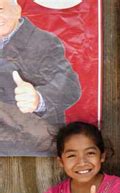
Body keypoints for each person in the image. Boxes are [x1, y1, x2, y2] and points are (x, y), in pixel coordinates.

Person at [0, 0, 81, 156]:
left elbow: (70, 86)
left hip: (33, 143)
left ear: (17, 11)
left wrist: (39, 99)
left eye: (0, 9)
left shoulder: (44, 42)